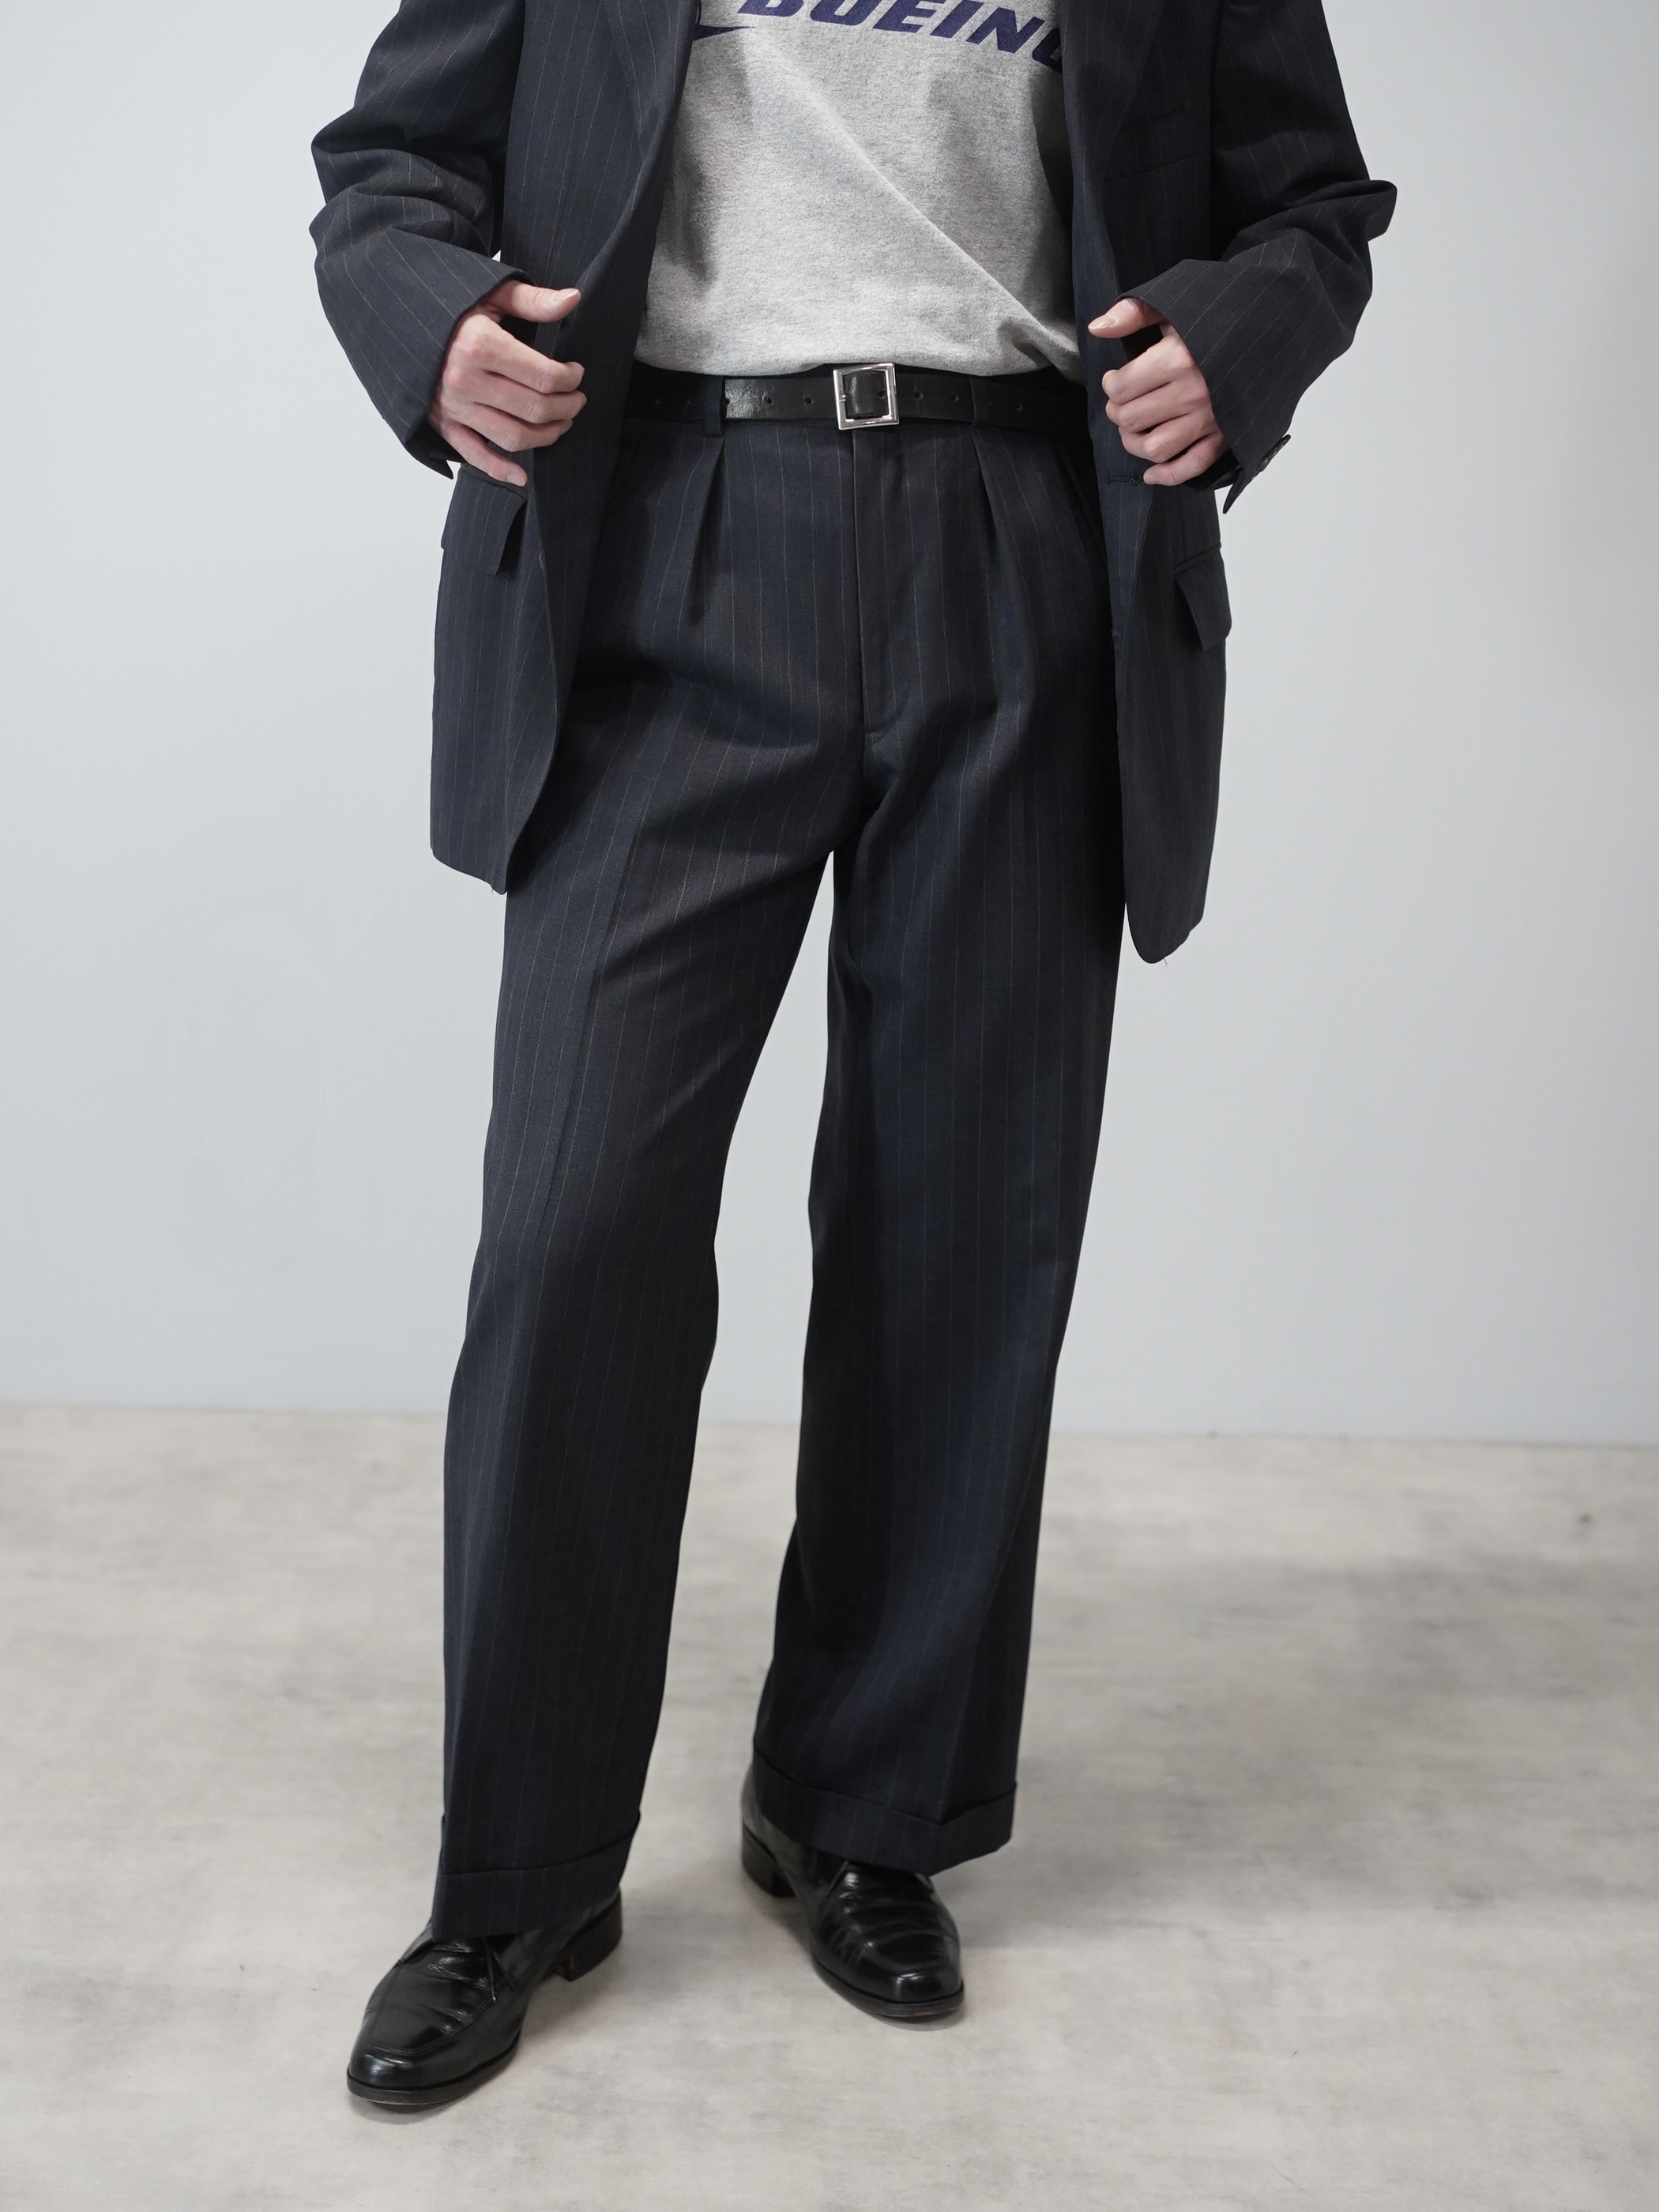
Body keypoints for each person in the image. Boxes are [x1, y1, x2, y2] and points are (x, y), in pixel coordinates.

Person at [312, 0, 1393, 2108]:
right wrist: (433, 324)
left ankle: (863, 1809)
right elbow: (388, 171)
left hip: (1024, 534)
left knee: (955, 1227)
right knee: (577, 1226)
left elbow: (1313, 207)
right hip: (664, 528)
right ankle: (520, 1870)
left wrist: (1237, 341)